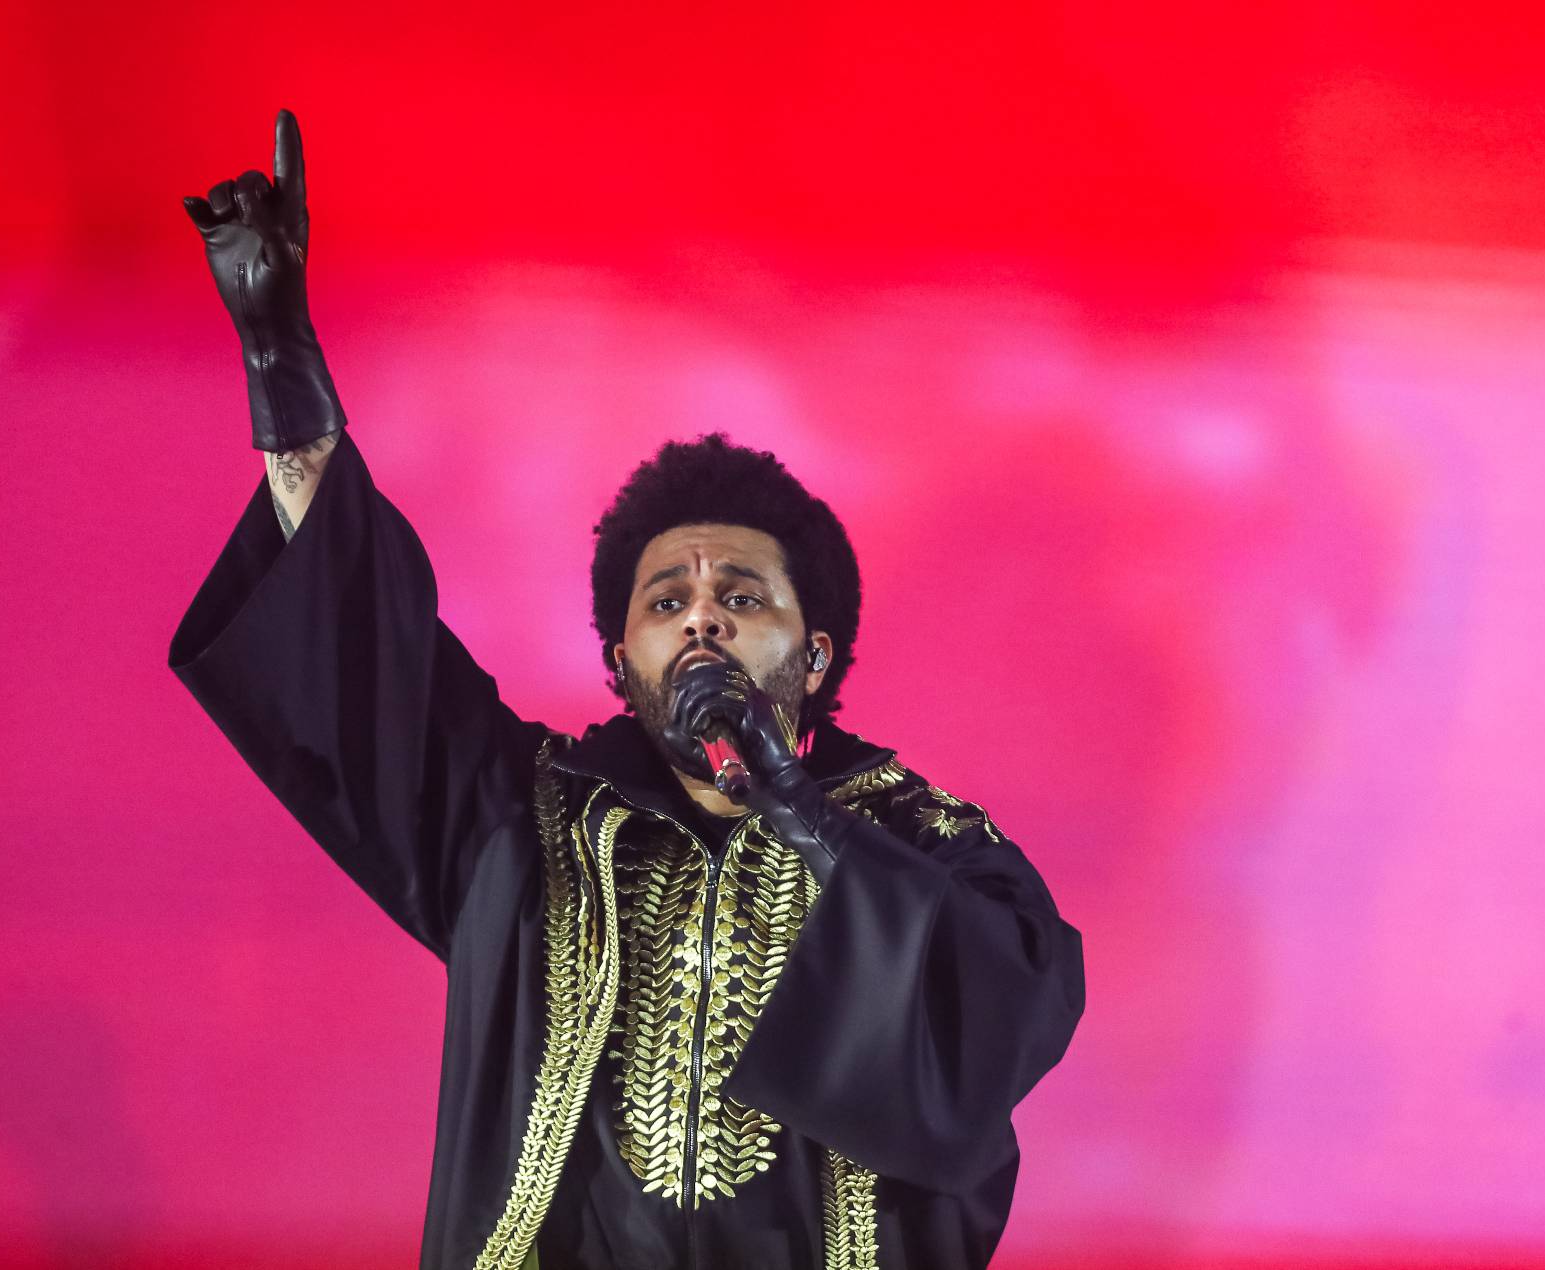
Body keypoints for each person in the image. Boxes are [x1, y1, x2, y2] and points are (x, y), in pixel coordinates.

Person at [170, 108, 1085, 1270]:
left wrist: (796, 809)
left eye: (741, 595)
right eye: (664, 602)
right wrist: (282, 381)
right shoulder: (525, 825)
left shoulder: (926, 838)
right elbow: (366, 660)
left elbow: (1003, 1012)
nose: (700, 612)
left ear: (814, 657)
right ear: (620, 665)